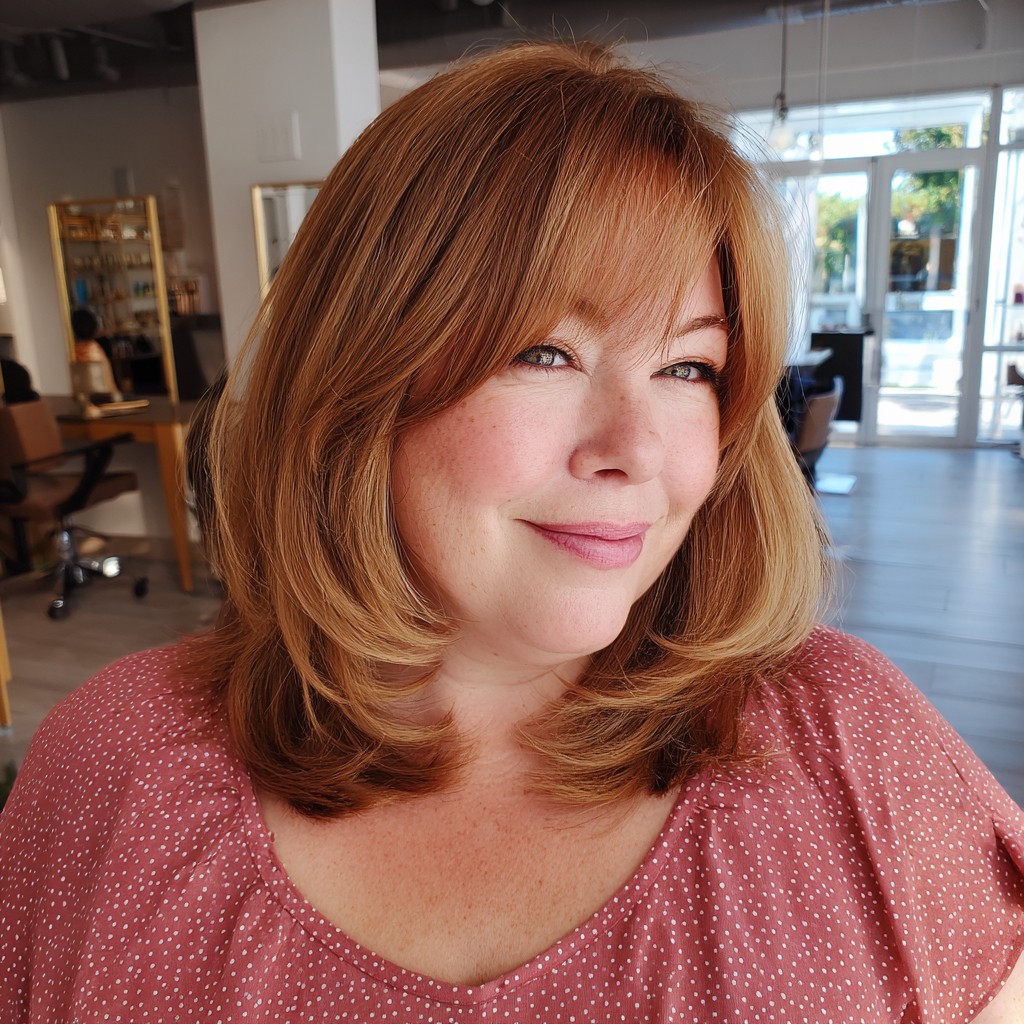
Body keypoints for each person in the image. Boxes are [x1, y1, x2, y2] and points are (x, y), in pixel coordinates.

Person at [1, 41, 1022, 1023]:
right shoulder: (112, 768)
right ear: (359, 377)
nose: (636, 450)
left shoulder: (854, 748)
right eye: (545, 351)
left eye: (687, 368)